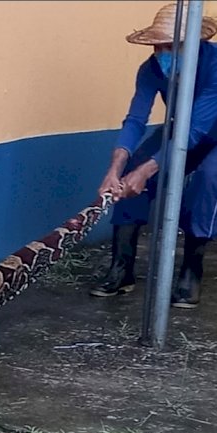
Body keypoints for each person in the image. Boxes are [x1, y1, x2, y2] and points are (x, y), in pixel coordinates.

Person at [90, 3, 217, 308]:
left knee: (208, 180)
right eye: (159, 45)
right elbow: (135, 120)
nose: (162, 52)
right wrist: (116, 168)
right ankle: (122, 270)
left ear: (193, 43)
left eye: (170, 45)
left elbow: (195, 132)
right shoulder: (151, 69)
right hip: (180, 129)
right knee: (132, 167)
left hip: (208, 133)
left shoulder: (214, 65)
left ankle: (191, 270)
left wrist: (148, 171)